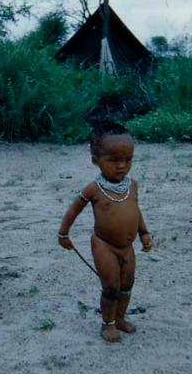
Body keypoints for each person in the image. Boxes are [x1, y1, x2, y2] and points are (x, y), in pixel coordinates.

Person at [58, 120, 152, 343]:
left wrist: (144, 233)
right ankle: (108, 323)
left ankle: (119, 318)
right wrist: (63, 233)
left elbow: (135, 211)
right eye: (114, 160)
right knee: (111, 285)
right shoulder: (94, 189)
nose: (122, 166)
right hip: (104, 244)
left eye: (128, 159)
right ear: (95, 161)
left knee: (127, 284)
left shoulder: (132, 185)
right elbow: (73, 210)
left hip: (127, 246)